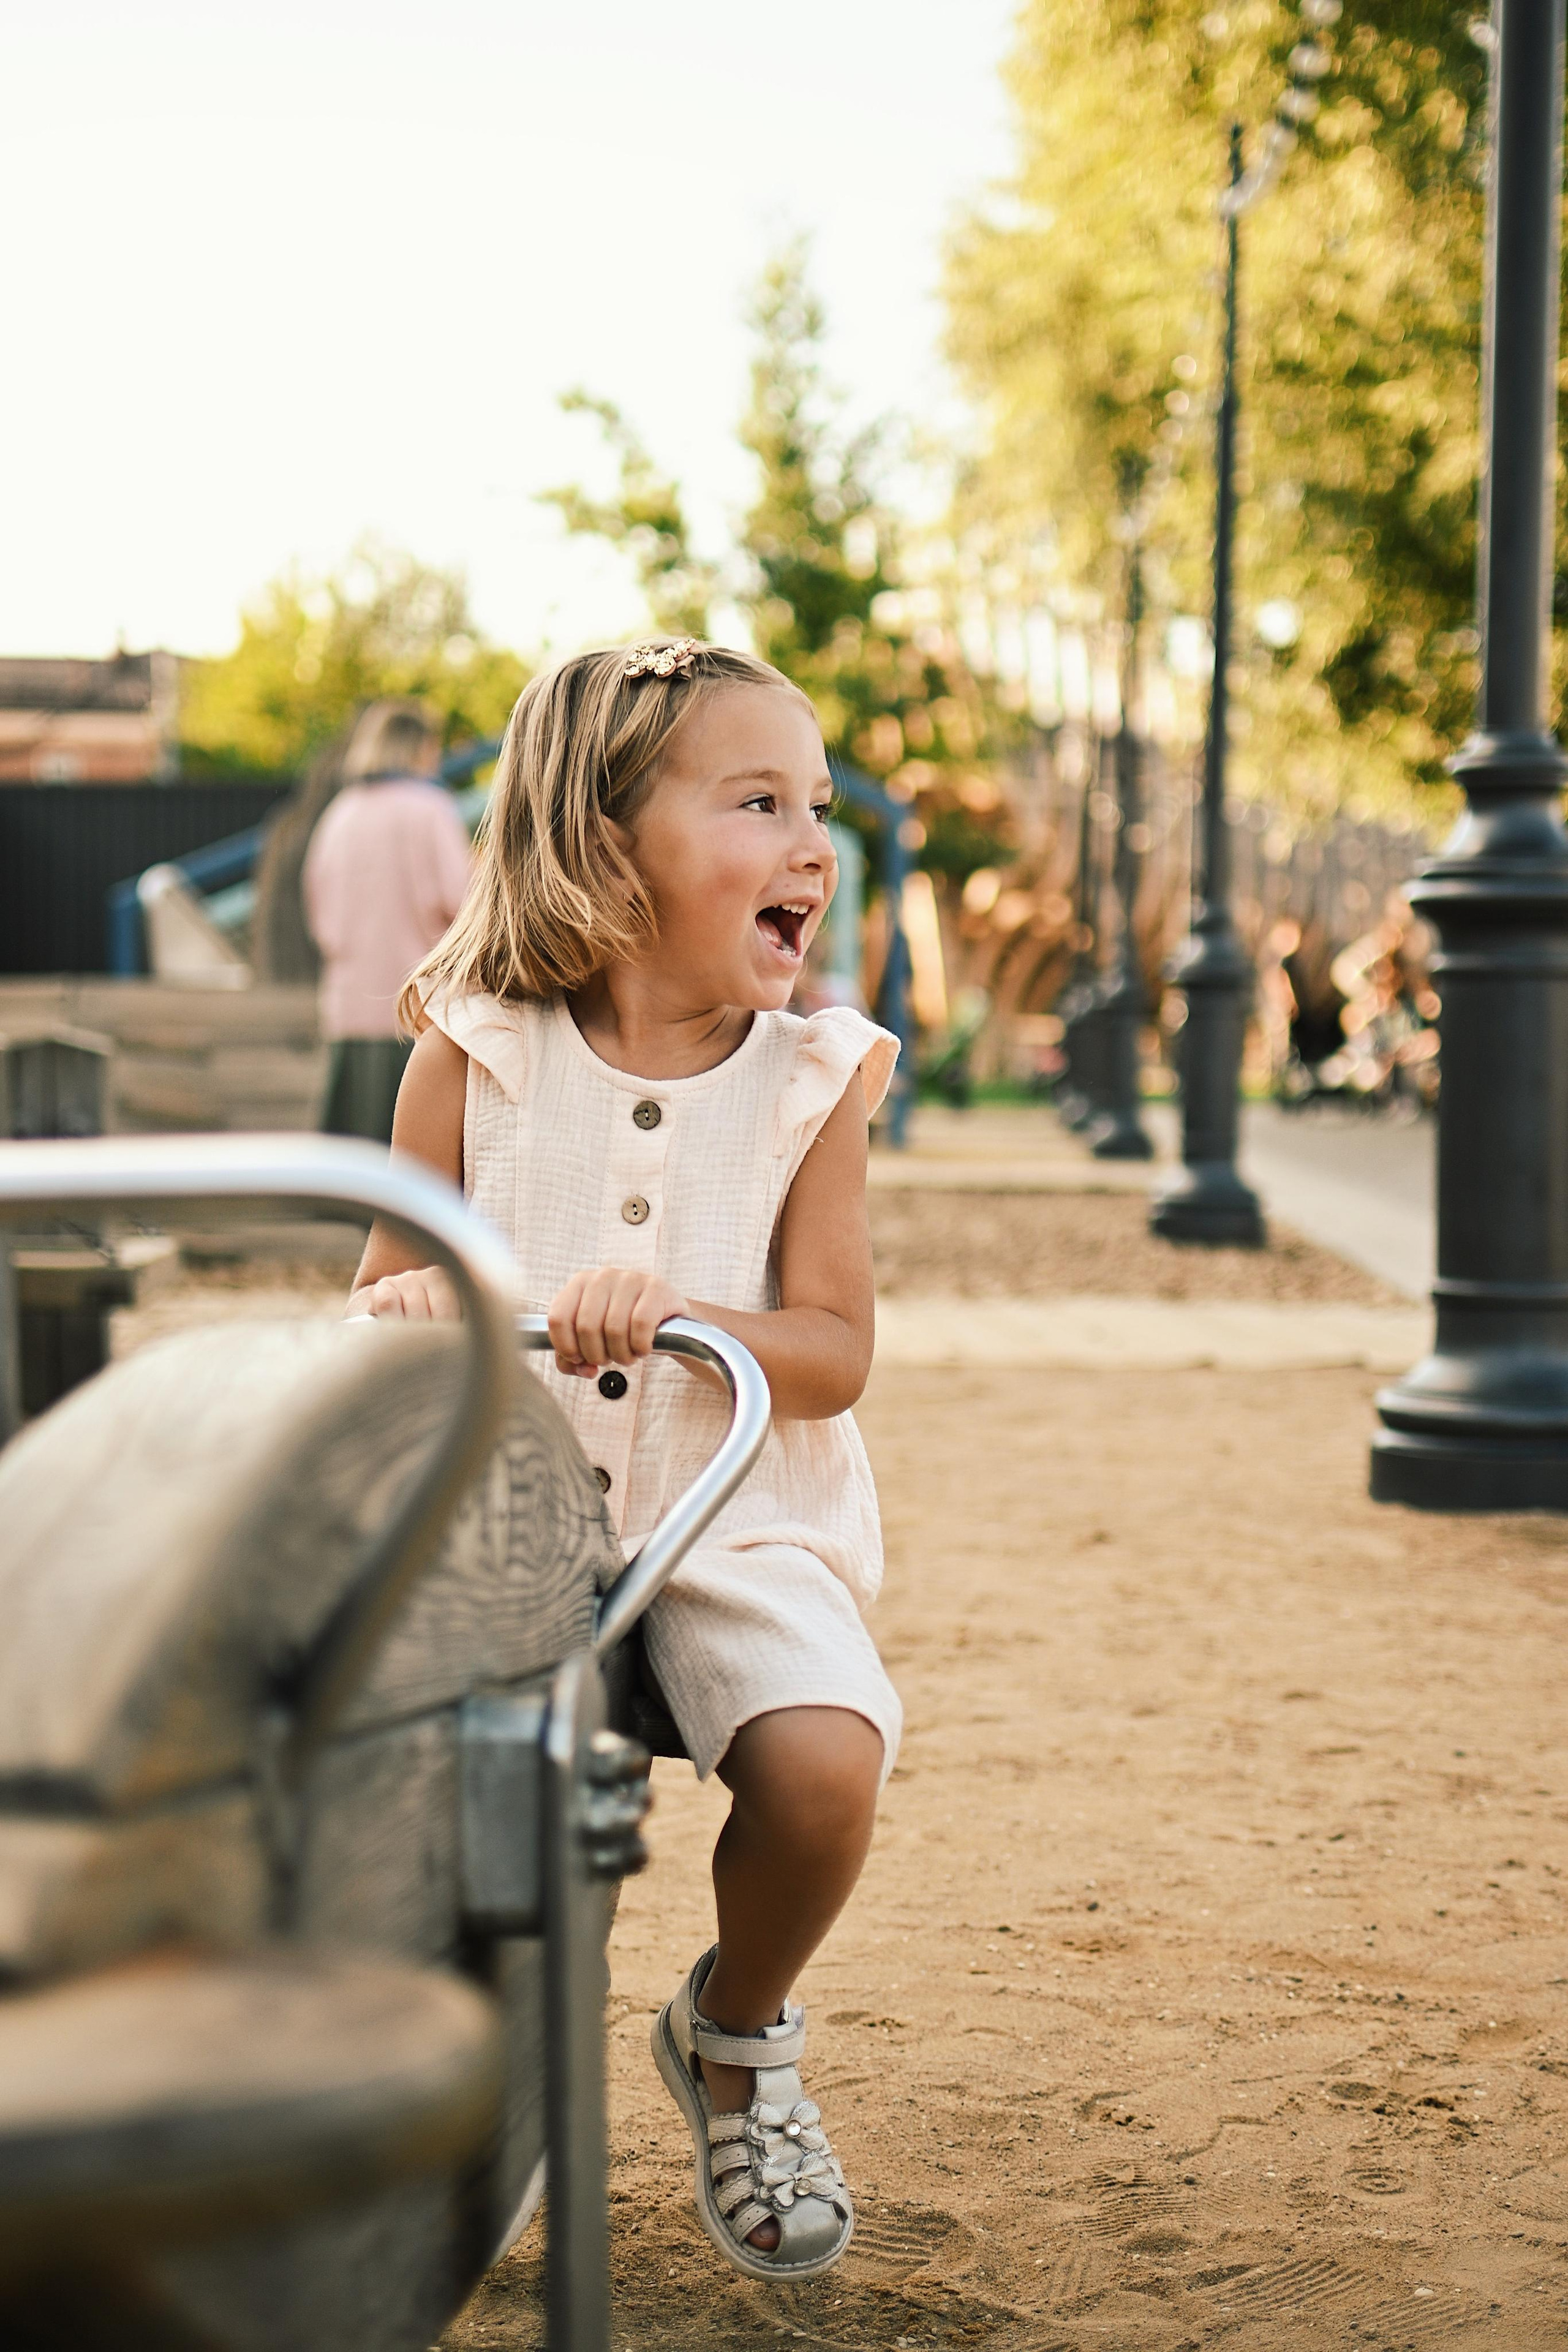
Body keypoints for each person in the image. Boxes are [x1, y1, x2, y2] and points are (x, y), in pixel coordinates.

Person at [347, 637, 900, 2282]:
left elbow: (834, 1349)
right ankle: (479, 2088)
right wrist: (503, 1306)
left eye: (815, 803)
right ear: (605, 841)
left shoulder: (818, 1080)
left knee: (822, 1769)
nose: (813, 840)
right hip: (503, 1512)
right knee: (449, 1793)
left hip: (726, 1512)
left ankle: (735, 2032)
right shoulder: (479, 1042)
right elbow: (387, 1290)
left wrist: (682, 1318)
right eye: (758, 800)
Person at [302, 698, 473, 1142]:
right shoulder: (429, 807)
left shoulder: (340, 814)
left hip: (350, 1008)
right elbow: (462, 899)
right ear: (418, 746)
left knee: (354, 1163)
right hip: (416, 1007)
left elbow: (319, 912)